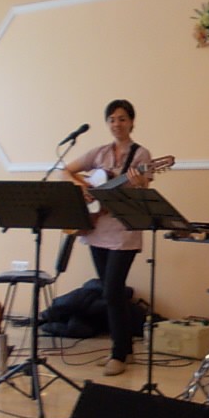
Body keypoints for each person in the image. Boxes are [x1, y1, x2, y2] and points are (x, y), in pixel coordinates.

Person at [63, 99, 152, 376]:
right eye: (112, 119)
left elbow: (143, 190)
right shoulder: (100, 153)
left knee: (113, 290)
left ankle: (118, 354)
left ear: (132, 122)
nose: (117, 124)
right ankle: (125, 349)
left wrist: (139, 183)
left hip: (124, 231)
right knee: (108, 290)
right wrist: (83, 187)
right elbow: (66, 170)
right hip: (97, 228)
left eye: (122, 118)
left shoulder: (141, 154)